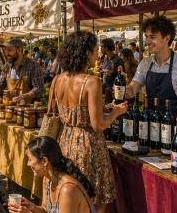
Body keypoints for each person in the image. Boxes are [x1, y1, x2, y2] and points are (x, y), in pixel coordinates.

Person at [53, 32, 126, 213]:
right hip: (88, 146)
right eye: (95, 50)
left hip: (65, 140)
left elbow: (71, 111)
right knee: (96, 198)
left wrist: (104, 107)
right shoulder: (91, 82)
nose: (97, 55)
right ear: (86, 52)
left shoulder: (58, 79)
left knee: (70, 196)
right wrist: (116, 112)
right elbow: (98, 125)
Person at [124, 15, 177, 122]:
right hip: (151, 124)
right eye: (146, 37)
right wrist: (122, 88)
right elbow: (132, 90)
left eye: (152, 37)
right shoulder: (145, 63)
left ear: (167, 38)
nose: (147, 41)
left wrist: (173, 127)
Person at [9, 136, 94, 213]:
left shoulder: (67, 190)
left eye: (30, 159)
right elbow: (45, 210)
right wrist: (32, 207)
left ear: (44, 161)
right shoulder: (48, 180)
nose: (28, 164)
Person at [0, 38, 44, 104]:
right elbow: (0, 84)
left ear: (19, 49)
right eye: (5, 50)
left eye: (9, 50)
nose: (7, 53)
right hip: (10, 106)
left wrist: (24, 96)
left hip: (28, 107)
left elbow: (39, 88)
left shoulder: (33, 65)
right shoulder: (7, 66)